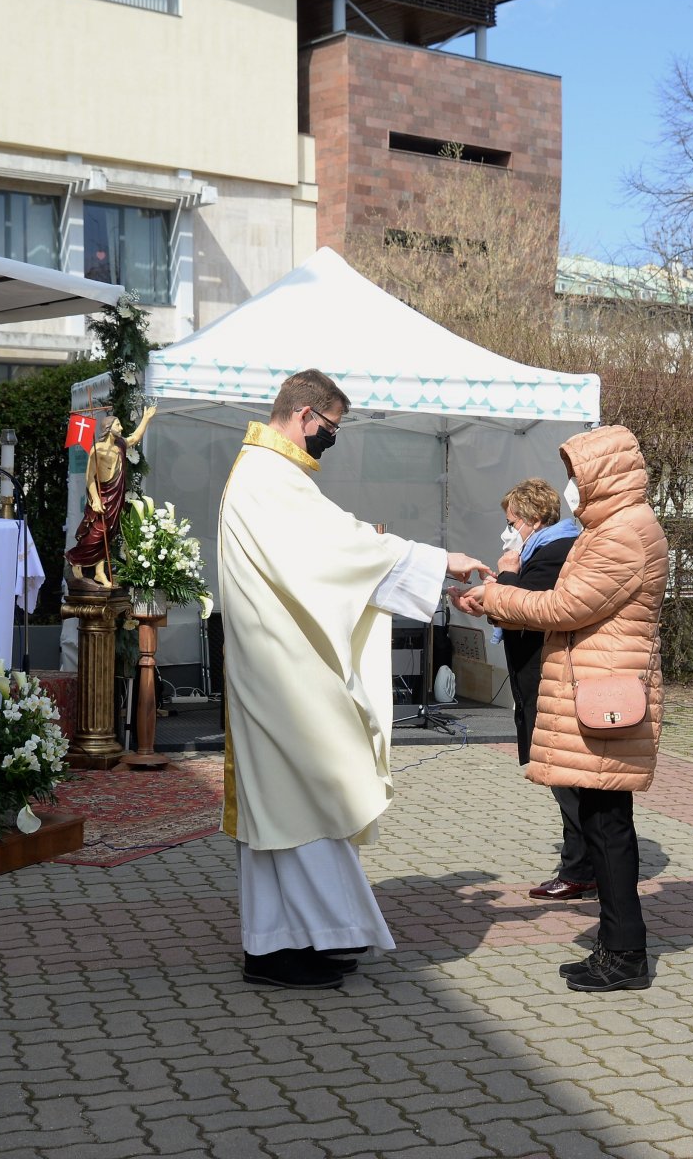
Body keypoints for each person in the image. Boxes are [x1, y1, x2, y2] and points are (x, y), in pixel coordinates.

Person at [217, 369, 491, 990]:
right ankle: (287, 944)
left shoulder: (273, 473)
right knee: (303, 800)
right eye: (332, 429)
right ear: (307, 415)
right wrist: (435, 560)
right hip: (281, 671)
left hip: (284, 662)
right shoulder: (267, 474)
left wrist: (406, 562)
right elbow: (335, 550)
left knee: (289, 806)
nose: (330, 441)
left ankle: (293, 940)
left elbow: (336, 542)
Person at [459, 426, 669, 993]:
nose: (570, 486)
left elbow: (569, 605)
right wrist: (499, 601)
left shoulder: (624, 532)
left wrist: (497, 594)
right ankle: (615, 944)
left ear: (605, 473)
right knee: (603, 825)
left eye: (576, 474)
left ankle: (626, 954)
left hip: (604, 694)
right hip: (596, 689)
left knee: (608, 827)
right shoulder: (610, 528)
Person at [491, 478, 587, 900]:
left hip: (547, 681)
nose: (507, 531)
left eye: (511, 522)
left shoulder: (553, 553)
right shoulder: (545, 549)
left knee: (566, 780)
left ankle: (581, 869)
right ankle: (583, 864)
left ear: (531, 520)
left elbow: (522, 609)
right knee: (561, 779)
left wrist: (506, 576)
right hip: (538, 679)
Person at [66, 404, 158, 587]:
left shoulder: (120, 445)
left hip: (116, 496)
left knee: (109, 533)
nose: (121, 428)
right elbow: (89, 478)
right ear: (108, 429)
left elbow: (135, 437)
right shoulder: (97, 449)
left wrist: (146, 418)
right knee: (96, 533)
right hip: (102, 494)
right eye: (118, 425)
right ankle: (76, 560)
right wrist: (96, 499)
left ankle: (100, 571)